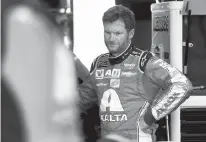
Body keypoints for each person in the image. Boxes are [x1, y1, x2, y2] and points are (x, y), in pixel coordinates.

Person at [78, 5, 193, 142]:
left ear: (130, 34)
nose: (111, 38)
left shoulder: (144, 62)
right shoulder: (99, 63)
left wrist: (150, 116)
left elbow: (182, 85)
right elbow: (81, 99)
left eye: (117, 33)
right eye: (107, 32)